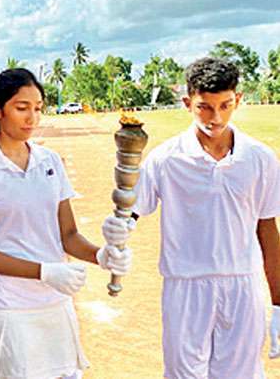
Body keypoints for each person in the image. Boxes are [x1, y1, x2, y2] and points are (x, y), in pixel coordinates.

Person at [0, 69, 132, 379]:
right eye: (21, 108)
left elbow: (69, 235)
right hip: (9, 306)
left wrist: (101, 255)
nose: (32, 118)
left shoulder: (49, 161)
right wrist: (45, 271)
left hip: (56, 303)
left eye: (37, 108)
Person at [115, 57, 280, 378]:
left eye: (225, 105)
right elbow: (132, 210)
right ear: (187, 102)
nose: (215, 117)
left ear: (238, 100)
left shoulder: (260, 158)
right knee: (183, 374)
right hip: (185, 285)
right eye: (204, 107)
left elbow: (268, 228)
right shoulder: (165, 159)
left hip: (242, 284)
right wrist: (119, 228)